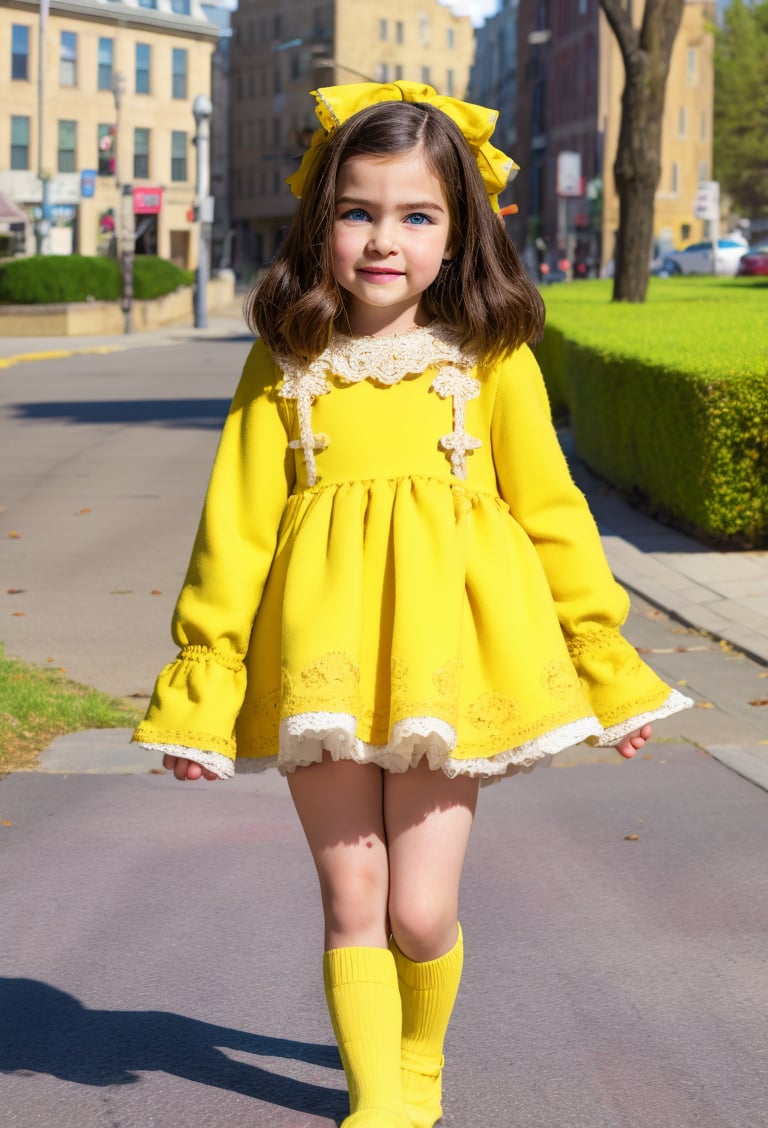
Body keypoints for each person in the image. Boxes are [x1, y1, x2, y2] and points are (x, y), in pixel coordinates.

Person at [133, 82, 692, 1127]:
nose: (383, 239)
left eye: (416, 215)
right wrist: (203, 694)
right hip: (320, 670)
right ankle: (381, 1101)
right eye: (358, 211)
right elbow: (234, 535)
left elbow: (556, 517)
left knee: (419, 909)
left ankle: (419, 1060)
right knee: (354, 903)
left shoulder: (491, 362)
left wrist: (608, 667)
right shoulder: (286, 364)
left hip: (448, 671)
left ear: (458, 231)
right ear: (320, 220)